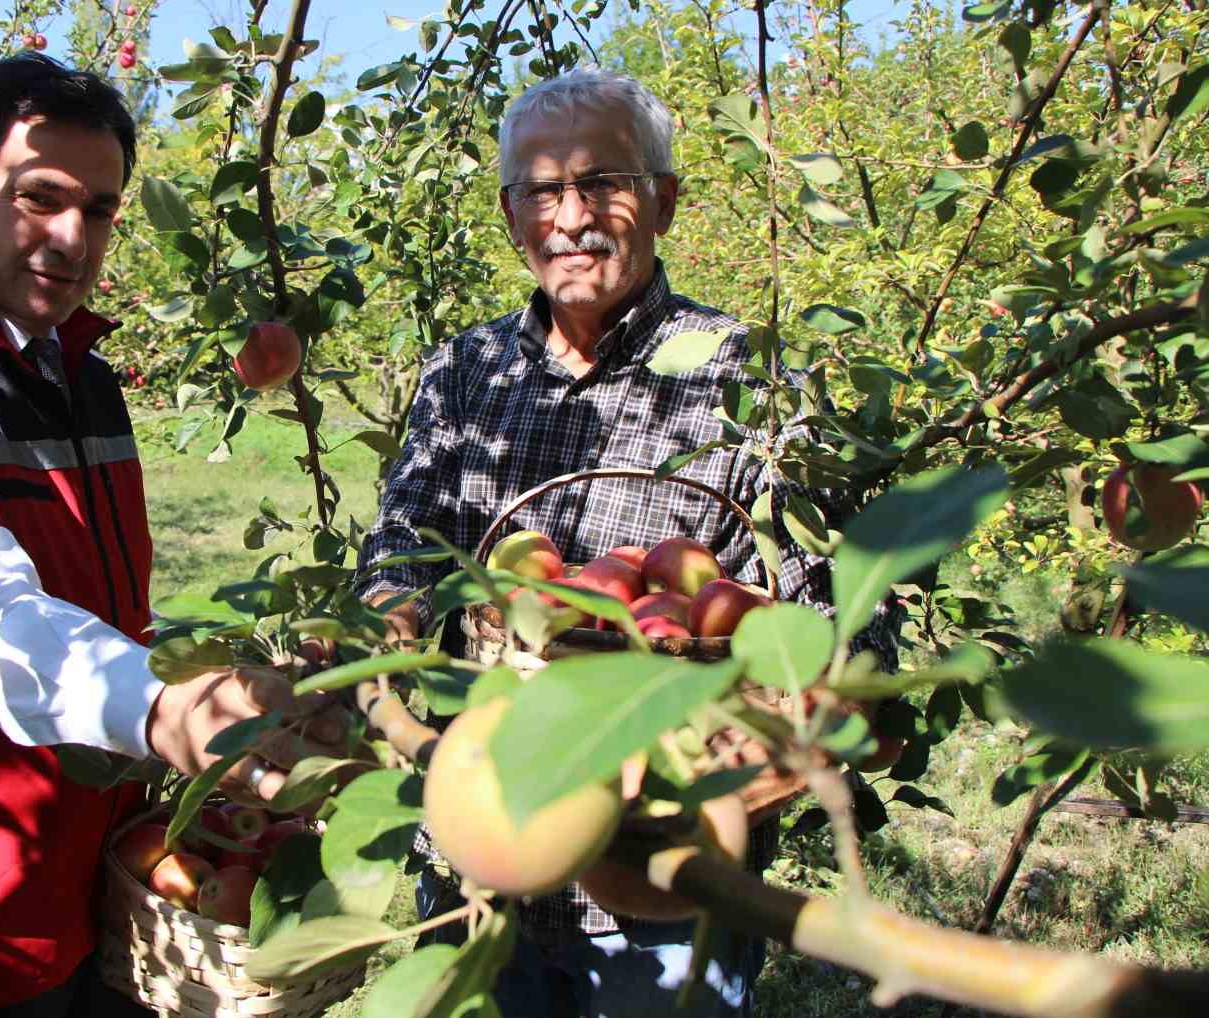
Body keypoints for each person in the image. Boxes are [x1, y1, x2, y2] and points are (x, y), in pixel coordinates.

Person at [0, 54, 330, 1017]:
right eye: (41, 197)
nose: (73, 237)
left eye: (102, 209)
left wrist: (205, 671)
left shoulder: (81, 376)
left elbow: (89, 597)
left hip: (92, 856)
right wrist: (161, 713)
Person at [355, 68, 899, 1017]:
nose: (573, 215)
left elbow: (843, 618)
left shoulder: (752, 383)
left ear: (665, 201)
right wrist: (384, 630)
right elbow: (404, 538)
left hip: (667, 880)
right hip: (486, 855)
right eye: (544, 188)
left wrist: (793, 732)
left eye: (604, 182)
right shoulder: (464, 371)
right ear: (511, 213)